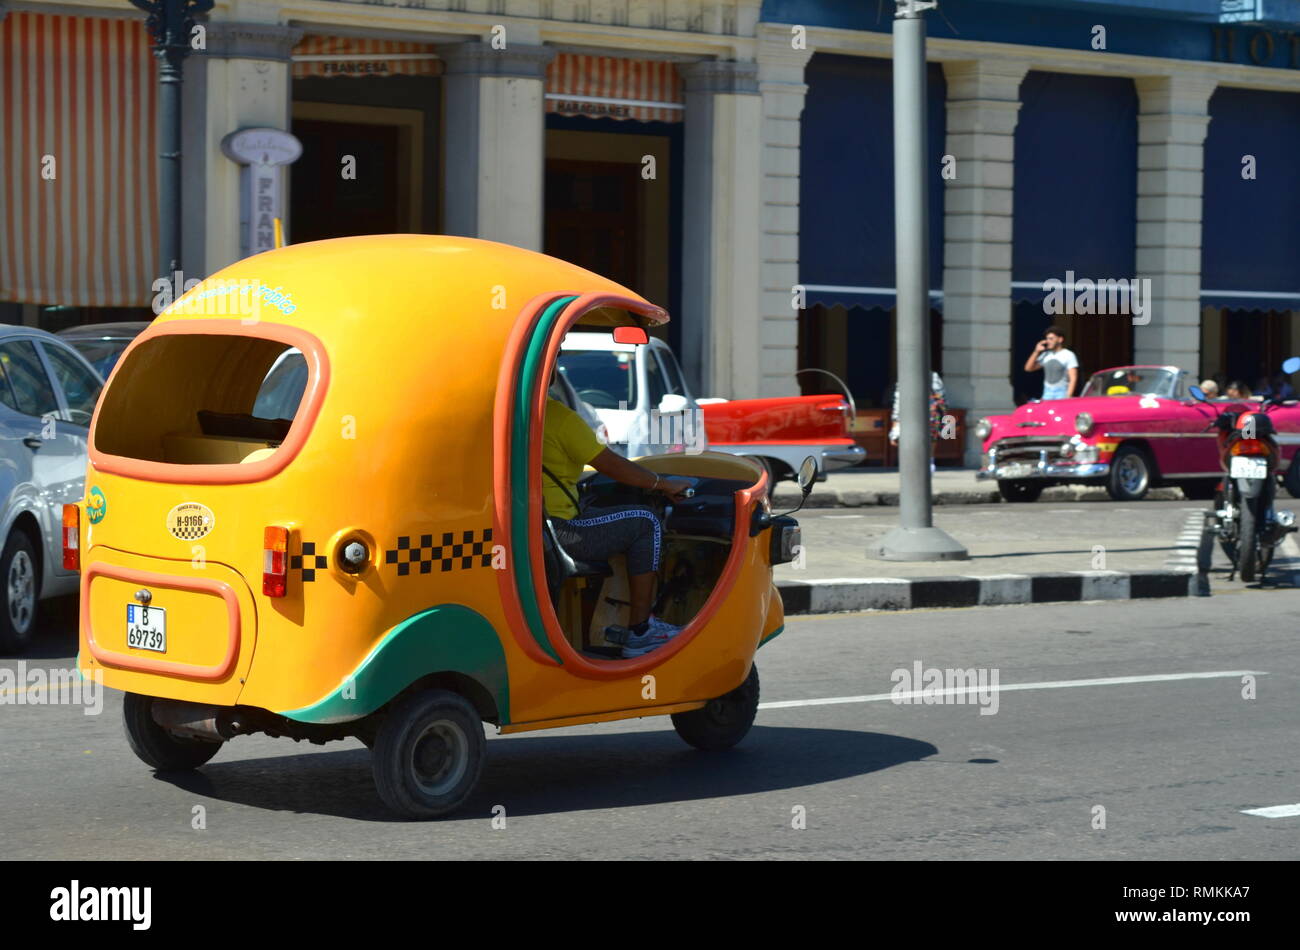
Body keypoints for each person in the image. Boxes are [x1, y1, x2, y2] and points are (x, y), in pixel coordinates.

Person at [542, 381, 693, 658]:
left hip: (532, 529)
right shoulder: (557, 417)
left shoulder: (510, 417)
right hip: (561, 532)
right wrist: (663, 484)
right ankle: (639, 631)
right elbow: (611, 464)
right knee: (645, 521)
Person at [889, 371, 946, 473]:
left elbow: (898, 402)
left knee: (925, 443)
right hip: (926, 416)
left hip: (925, 416)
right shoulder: (931, 376)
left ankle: (924, 465)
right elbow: (942, 400)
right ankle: (926, 464)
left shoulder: (930, 376)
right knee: (926, 444)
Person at [1024, 326, 1078, 400]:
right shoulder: (1046, 355)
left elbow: (1073, 378)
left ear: (1060, 339)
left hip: (1062, 392)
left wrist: (1068, 396)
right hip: (1047, 392)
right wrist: (1036, 351)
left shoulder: (1068, 355)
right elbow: (1028, 368)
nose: (1048, 341)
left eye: (1051, 339)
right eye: (1047, 339)